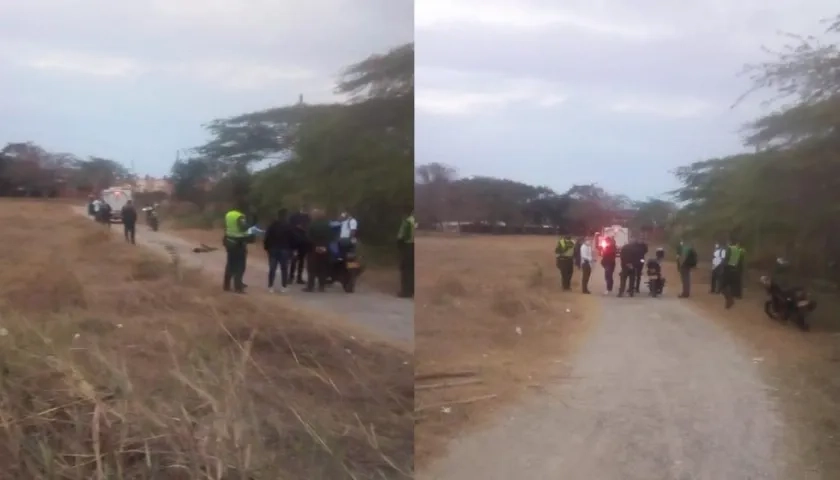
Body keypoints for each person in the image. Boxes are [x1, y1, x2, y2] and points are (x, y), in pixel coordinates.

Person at [222, 202, 254, 293]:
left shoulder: (228, 214)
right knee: (240, 265)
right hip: (239, 243)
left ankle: (226, 285)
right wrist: (250, 227)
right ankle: (238, 287)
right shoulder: (240, 216)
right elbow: (242, 227)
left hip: (229, 241)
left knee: (230, 264)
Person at [263, 208, 294, 293]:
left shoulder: (273, 225)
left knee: (272, 268)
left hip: (273, 249)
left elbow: (267, 236)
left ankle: (270, 286)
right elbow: (292, 238)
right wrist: (292, 249)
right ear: (286, 215)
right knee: (284, 268)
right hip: (285, 249)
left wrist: (267, 247)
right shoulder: (289, 226)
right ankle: (283, 286)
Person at [304, 208, 333, 293]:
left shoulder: (312, 224)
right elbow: (331, 237)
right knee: (323, 268)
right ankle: (322, 286)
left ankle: (310, 286)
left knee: (312, 268)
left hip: (313, 248)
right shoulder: (328, 225)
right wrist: (324, 245)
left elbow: (308, 237)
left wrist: (315, 245)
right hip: (325, 248)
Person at [289, 206, 311, 285]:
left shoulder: (308, 217)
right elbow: (290, 227)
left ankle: (299, 277)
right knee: (294, 260)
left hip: (304, 242)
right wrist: (296, 227)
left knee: (301, 260)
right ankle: (291, 277)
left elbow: (309, 228)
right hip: (295, 241)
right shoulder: (294, 216)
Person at [397, 208, 416, 298]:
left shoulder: (408, 221)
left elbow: (401, 236)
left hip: (408, 246)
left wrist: (400, 247)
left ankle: (406, 292)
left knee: (406, 270)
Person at [722, 239, 745, 309]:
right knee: (734, 286)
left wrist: (723, 267)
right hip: (736, 270)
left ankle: (729, 299)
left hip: (728, 269)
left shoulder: (729, 249)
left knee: (722, 286)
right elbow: (741, 261)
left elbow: (726, 259)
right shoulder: (741, 250)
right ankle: (732, 298)